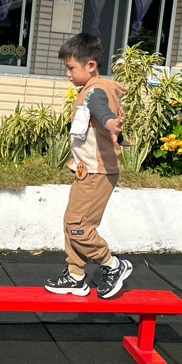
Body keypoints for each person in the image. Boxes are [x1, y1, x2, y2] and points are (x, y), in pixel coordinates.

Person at [44, 33, 133, 299]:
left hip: (97, 172)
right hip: (86, 171)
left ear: (90, 65)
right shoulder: (90, 89)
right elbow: (99, 122)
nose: (68, 74)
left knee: (78, 227)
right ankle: (75, 276)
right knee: (70, 222)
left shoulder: (95, 90)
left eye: (71, 68)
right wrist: (118, 135)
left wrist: (110, 123)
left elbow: (101, 110)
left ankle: (112, 264)